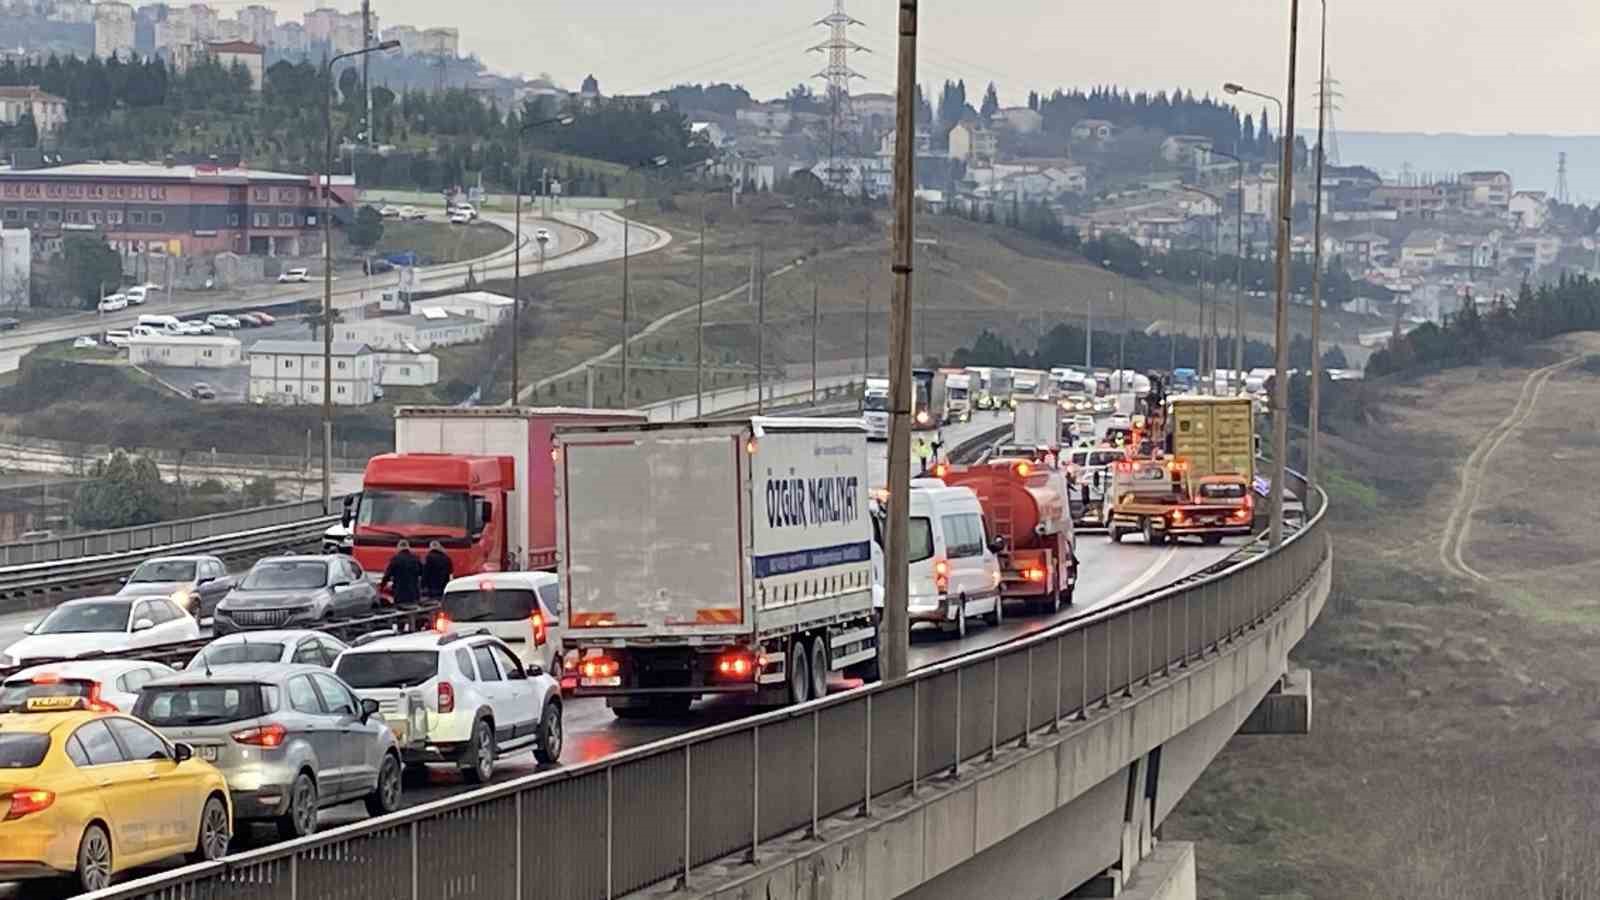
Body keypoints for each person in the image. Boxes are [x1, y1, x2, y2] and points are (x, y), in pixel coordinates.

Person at [381, 540, 422, 606]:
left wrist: (382, 586)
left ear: (398, 548)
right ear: (408, 547)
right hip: (414, 592)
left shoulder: (395, 559)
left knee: (401, 612)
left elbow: (387, 575)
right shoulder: (416, 559)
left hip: (400, 592)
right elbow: (421, 573)